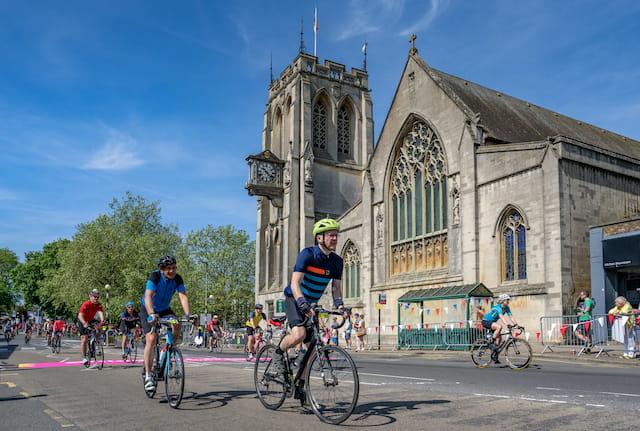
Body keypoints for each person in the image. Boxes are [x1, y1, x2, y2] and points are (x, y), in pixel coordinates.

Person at [269, 218, 346, 375]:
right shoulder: (308, 254)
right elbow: (295, 283)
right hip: (295, 299)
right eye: (331, 235)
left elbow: (336, 289)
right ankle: (277, 354)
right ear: (319, 237)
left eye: (336, 235)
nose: (335, 238)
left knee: (311, 349)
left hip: (311, 304)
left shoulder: (337, 262)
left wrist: (340, 306)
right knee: (300, 334)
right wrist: (302, 302)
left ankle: (301, 389)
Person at [140, 255, 193, 392]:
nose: (172, 271)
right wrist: (151, 314)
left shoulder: (177, 278)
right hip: (148, 308)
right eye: (169, 268)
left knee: (177, 324)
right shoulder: (155, 276)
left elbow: (183, 296)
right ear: (162, 269)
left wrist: (188, 315)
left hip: (164, 309)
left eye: (174, 268)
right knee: (151, 339)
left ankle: (169, 349)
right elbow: (148, 296)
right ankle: (148, 375)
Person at [481, 294, 518, 363]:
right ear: (503, 301)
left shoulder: (507, 307)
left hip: (492, 322)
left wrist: (516, 325)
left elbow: (511, 317)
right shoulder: (497, 308)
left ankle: (495, 356)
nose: (508, 301)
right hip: (486, 321)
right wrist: (507, 324)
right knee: (499, 327)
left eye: (508, 300)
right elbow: (501, 317)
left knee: (499, 338)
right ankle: (492, 343)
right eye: (507, 300)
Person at [77, 289, 105, 366]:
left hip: (90, 320)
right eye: (94, 297)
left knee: (100, 327)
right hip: (82, 320)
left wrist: (102, 321)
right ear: (90, 296)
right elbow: (80, 315)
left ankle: (96, 340)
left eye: (97, 297)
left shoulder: (98, 304)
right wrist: (84, 323)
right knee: (84, 338)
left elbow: (100, 312)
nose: (96, 298)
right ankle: (84, 357)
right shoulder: (86, 304)